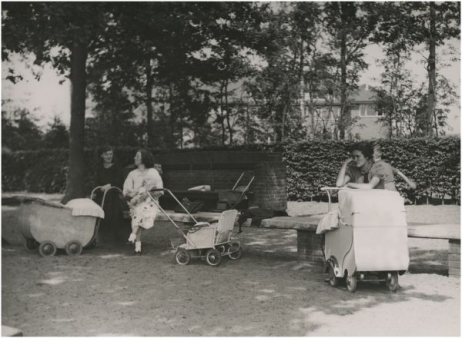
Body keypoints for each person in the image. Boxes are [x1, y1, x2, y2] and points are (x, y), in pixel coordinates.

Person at [123, 149, 163, 255]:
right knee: (137, 210)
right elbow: (126, 191)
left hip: (151, 204)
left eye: (137, 156)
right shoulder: (132, 174)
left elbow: (160, 190)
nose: (134, 158)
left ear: (144, 158)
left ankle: (135, 239)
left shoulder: (153, 172)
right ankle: (138, 248)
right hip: (137, 202)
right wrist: (134, 194)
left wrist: (148, 193)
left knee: (139, 211)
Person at [94, 145, 128, 245]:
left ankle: (114, 238)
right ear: (101, 155)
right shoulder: (99, 167)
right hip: (102, 194)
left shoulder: (117, 166)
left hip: (114, 194)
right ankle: (99, 236)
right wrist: (98, 190)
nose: (109, 156)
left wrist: (110, 185)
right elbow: (96, 182)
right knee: (95, 205)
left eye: (110, 154)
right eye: (106, 154)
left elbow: (119, 182)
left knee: (110, 205)